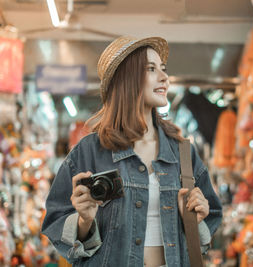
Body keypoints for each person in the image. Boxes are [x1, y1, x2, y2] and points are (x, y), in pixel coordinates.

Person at [42, 36, 223, 266]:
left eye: (163, 69)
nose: (164, 77)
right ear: (127, 79)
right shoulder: (89, 152)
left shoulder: (182, 153)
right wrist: (83, 221)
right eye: (151, 69)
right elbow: (56, 221)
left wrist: (194, 220)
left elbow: (204, 236)